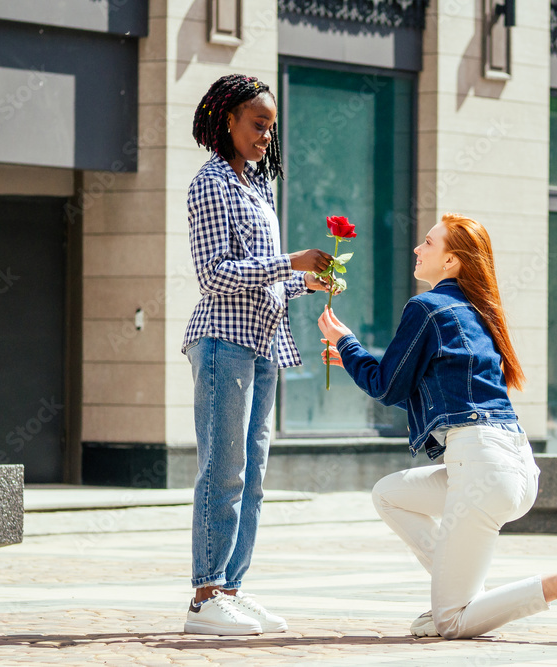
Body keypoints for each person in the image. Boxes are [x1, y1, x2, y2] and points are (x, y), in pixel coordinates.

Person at [317, 213, 557, 641]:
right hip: (512, 465)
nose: (416, 248)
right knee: (389, 494)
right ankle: (468, 596)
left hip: (481, 465)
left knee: (450, 623)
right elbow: (405, 378)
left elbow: (386, 386)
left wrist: (345, 341)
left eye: (427, 242)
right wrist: (352, 358)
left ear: (451, 262)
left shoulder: (426, 307)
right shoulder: (477, 312)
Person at [182, 73, 333, 636]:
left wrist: (308, 283)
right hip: (223, 341)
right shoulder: (209, 184)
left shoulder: (259, 187)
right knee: (223, 471)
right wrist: (291, 261)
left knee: (254, 476)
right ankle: (204, 596)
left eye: (271, 127)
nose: (266, 136)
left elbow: (265, 279)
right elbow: (214, 275)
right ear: (228, 121)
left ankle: (232, 591)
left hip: (264, 342)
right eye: (257, 124)